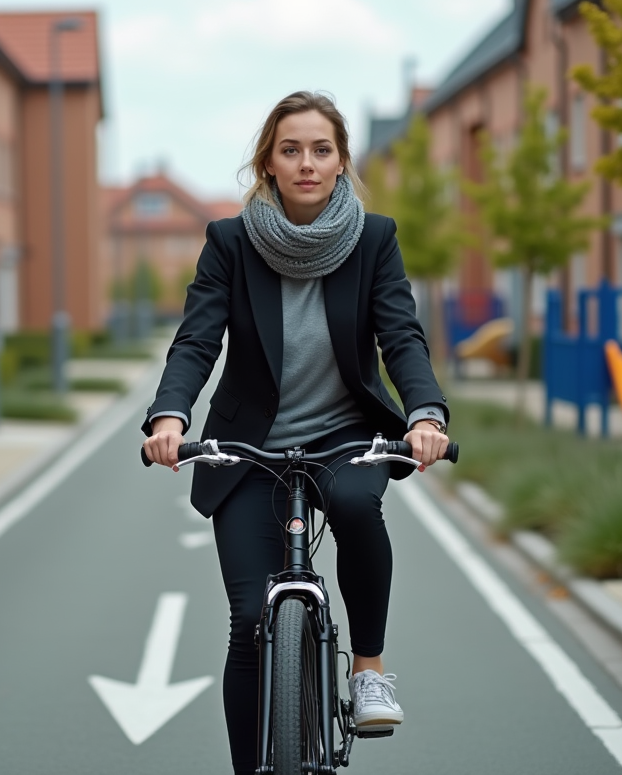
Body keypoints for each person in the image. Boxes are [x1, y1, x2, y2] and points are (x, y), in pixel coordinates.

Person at [141, 90, 451, 775]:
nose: (306, 162)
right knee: (249, 621)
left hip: (344, 435)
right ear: (269, 164)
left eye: (321, 149)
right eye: (290, 150)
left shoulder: (375, 240)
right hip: (249, 446)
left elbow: (401, 338)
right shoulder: (230, 241)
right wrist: (170, 416)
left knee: (354, 504)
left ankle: (367, 667)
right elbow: (197, 340)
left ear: (341, 162)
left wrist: (426, 414)